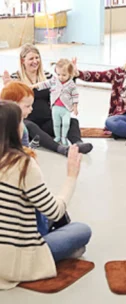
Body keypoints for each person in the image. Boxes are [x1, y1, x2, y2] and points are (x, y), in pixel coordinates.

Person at [0, 101, 91, 290]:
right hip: (13, 261)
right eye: (20, 122)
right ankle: (57, 253)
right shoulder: (23, 164)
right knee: (81, 230)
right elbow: (54, 211)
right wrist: (71, 176)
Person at [3, 43, 92, 156]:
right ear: (22, 61)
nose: (35, 61)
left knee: (73, 121)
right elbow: (9, 102)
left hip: (48, 120)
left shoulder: (48, 76)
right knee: (30, 126)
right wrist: (9, 86)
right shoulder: (15, 78)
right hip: (28, 122)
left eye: (37, 57)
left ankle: (78, 143)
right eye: (31, 59)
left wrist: (71, 76)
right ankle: (61, 149)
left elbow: (66, 90)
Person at [33, 59, 79, 146]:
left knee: (67, 123)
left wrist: (75, 107)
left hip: (65, 108)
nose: (61, 77)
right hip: (55, 108)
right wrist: (35, 86)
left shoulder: (71, 84)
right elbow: (45, 84)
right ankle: (57, 136)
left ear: (69, 74)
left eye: (64, 75)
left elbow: (75, 96)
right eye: (58, 74)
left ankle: (65, 137)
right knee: (56, 123)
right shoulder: (54, 80)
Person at [0, 81, 38, 149]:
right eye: (27, 106)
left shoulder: (21, 124)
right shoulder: (8, 125)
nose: (31, 109)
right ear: (13, 105)